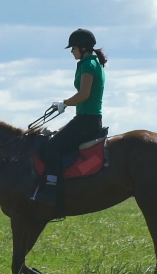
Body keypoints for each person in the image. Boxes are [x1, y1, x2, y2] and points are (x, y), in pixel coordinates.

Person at [32, 28, 108, 207]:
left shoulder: (89, 65)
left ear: (82, 47)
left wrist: (64, 103)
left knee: (52, 145)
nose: (72, 51)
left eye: (73, 48)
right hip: (87, 118)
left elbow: (83, 95)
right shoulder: (89, 63)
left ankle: (51, 191)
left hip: (86, 120)